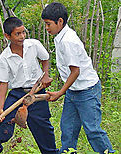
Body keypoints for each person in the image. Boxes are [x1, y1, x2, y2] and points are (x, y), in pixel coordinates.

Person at [41, 2, 115, 154]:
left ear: (60, 21)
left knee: (92, 129)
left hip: (87, 90)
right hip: (74, 91)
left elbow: (75, 72)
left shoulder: (68, 40)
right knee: (68, 129)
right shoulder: (60, 36)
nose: (47, 28)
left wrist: (60, 92)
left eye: (48, 24)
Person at [0, 17, 58, 154]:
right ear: (7, 36)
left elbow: (45, 58)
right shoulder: (5, 57)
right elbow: (3, 83)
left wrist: (46, 75)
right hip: (17, 94)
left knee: (43, 126)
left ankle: (51, 152)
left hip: (36, 92)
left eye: (23, 32)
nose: (22, 36)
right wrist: (0, 108)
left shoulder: (34, 45)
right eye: (17, 34)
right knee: (1, 124)